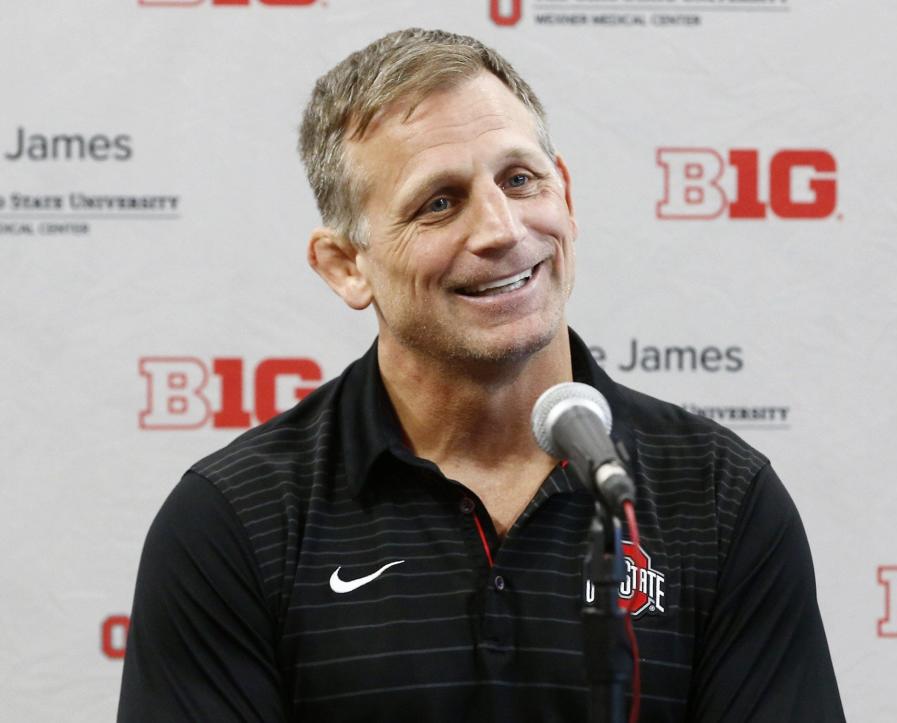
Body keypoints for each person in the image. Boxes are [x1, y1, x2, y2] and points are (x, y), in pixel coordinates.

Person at [118, 28, 845, 722]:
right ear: (347, 266)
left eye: (520, 179)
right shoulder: (235, 522)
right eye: (439, 203)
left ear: (565, 193)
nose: (501, 229)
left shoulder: (720, 499)